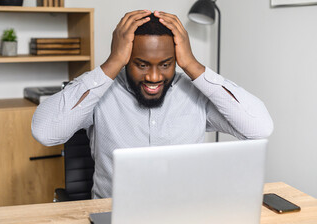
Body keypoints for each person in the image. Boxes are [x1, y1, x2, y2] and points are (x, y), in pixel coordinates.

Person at [32, 10, 273, 199]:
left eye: (166, 64)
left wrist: (192, 64)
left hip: (186, 216)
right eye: (142, 64)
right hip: (113, 216)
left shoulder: (195, 94)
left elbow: (259, 128)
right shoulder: (101, 93)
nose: (154, 77)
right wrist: (112, 62)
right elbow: (45, 132)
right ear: (126, 59)